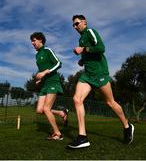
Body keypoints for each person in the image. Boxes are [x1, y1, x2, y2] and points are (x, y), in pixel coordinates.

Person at [67, 15, 134, 149]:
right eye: (73, 25)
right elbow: (89, 53)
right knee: (77, 99)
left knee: (110, 102)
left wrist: (83, 50)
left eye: (77, 23)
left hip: (99, 73)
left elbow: (101, 48)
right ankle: (82, 137)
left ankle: (127, 126)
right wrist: (82, 60)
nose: (75, 26)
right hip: (87, 75)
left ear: (84, 22)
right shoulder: (81, 39)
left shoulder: (90, 31)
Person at [30, 32, 68, 140]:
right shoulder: (37, 55)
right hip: (45, 84)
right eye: (31, 41)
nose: (32, 43)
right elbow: (42, 71)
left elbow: (58, 63)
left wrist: (45, 72)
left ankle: (58, 134)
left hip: (53, 82)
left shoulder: (47, 50)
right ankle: (61, 113)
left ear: (40, 40)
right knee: (39, 110)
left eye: (34, 40)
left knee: (46, 109)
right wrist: (40, 79)